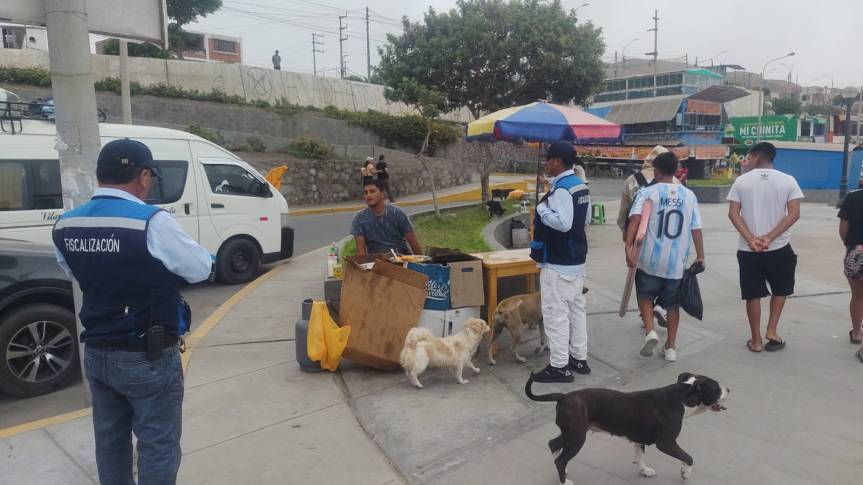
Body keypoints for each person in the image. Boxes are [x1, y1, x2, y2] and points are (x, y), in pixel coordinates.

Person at [52, 139, 212, 485]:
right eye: (150, 178)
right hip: (147, 355)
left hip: (96, 354)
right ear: (142, 176)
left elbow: (72, 271)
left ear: (100, 176)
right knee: (158, 443)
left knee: (110, 443)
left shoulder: (66, 225)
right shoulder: (151, 222)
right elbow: (199, 268)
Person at [625, 151, 705, 362]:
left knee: (645, 296)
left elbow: (634, 220)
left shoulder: (647, 193)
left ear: (656, 170)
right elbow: (696, 229)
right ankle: (670, 347)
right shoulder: (689, 195)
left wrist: (628, 248)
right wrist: (701, 256)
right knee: (672, 305)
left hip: (649, 259)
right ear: (676, 171)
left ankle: (650, 330)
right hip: (676, 263)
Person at [727, 142, 803, 353]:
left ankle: (756, 340)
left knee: (753, 293)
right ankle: (771, 330)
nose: (747, 161)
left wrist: (752, 239)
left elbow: (733, 213)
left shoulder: (741, 181)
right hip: (779, 246)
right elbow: (794, 213)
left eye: (749, 157)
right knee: (781, 288)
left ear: (758, 157)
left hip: (748, 249)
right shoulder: (789, 181)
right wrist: (769, 238)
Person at [529, 141, 591, 383]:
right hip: (576, 259)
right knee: (576, 310)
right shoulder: (580, 186)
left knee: (555, 313)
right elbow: (583, 222)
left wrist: (543, 210)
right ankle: (579, 358)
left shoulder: (563, 189)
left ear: (557, 161)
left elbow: (564, 223)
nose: (546, 164)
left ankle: (559, 367)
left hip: (558, 261)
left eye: (548, 159)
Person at [616, 145, 678, 328]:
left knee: (642, 281)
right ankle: (661, 306)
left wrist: (627, 241)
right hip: (669, 241)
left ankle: (647, 317)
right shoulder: (675, 182)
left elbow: (623, 215)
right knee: (668, 278)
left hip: (640, 241)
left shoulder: (632, 180)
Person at [352, 179, 422, 255]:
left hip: (401, 259)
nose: (368, 195)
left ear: (382, 194)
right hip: (376, 262)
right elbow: (360, 249)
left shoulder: (397, 213)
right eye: (366, 193)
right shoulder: (359, 218)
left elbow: (413, 241)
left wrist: (422, 264)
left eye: (372, 191)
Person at [838, 188, 863, 362]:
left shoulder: (853, 197)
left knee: (858, 297)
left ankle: (856, 333)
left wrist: (851, 246)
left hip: (857, 252)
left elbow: (843, 229)